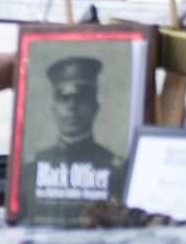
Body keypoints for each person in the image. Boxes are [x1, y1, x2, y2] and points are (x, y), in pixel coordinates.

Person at [22, 55, 126, 217]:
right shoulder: (31, 169)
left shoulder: (117, 169)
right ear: (54, 109)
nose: (72, 107)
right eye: (64, 99)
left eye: (81, 98)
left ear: (95, 107)